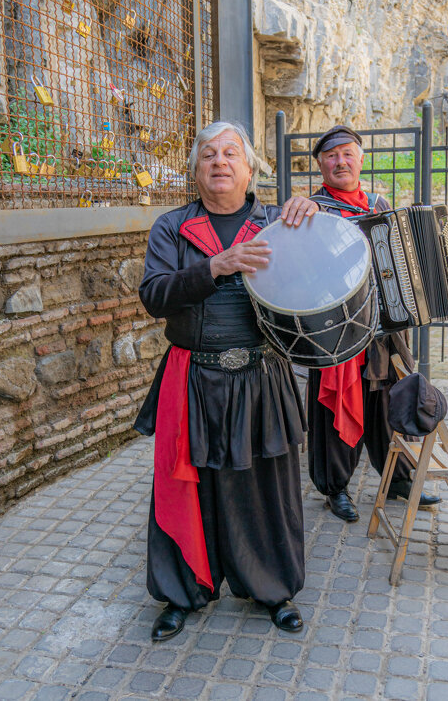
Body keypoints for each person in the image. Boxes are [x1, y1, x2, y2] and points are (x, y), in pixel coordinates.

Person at [134, 121, 319, 642]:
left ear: (250, 167)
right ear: (195, 170)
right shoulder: (171, 228)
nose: (220, 161)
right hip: (192, 375)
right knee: (186, 486)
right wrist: (215, 266)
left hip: (262, 374)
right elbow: (153, 296)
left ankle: (273, 589)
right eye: (208, 154)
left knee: (265, 486)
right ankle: (182, 591)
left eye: (231, 153)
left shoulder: (279, 222)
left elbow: (326, 269)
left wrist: (314, 215)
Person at [307, 125, 448, 523]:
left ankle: (397, 478)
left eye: (347, 153)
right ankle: (335, 487)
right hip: (337, 329)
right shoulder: (311, 211)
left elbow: (406, 260)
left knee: (390, 401)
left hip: (386, 326)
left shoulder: (379, 203)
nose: (340, 161)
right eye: (331, 155)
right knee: (335, 408)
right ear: (321, 165)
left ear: (360, 159)